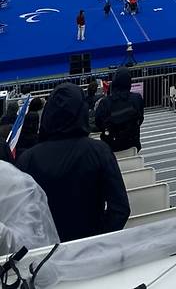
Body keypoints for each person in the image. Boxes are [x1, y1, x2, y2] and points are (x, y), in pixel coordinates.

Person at [18, 83, 130, 242]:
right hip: (92, 252)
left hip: (47, 257)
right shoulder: (100, 151)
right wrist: (97, 241)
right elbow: (120, 209)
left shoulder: (27, 159)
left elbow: (21, 217)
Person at [95, 68, 144, 153]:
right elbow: (140, 119)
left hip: (110, 148)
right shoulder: (137, 98)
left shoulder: (105, 102)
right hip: (132, 145)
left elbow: (98, 123)